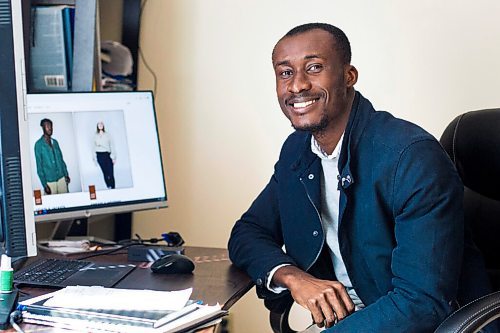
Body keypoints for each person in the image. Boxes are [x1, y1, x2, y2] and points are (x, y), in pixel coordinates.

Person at [228, 23, 494, 332]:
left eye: (314, 68)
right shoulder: (298, 151)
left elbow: (421, 304)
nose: (297, 85)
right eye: (285, 73)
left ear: (348, 76)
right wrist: (293, 277)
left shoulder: (411, 157)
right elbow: (247, 233)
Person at [34, 118, 70, 195]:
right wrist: (44, 185)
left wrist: (66, 174)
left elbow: (61, 160)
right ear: (43, 128)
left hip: (62, 179)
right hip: (50, 182)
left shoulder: (55, 142)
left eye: (51, 126)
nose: (50, 128)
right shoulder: (38, 145)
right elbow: (39, 167)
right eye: (47, 126)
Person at [93, 121, 116, 189]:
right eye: (99, 124)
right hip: (99, 155)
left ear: (103, 125)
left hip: (107, 154)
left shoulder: (107, 135)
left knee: (111, 172)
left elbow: (112, 145)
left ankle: (113, 187)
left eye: (101, 124)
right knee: (105, 172)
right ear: (97, 126)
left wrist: (113, 157)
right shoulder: (95, 136)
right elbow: (93, 147)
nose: (100, 125)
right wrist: (94, 159)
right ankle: (108, 186)